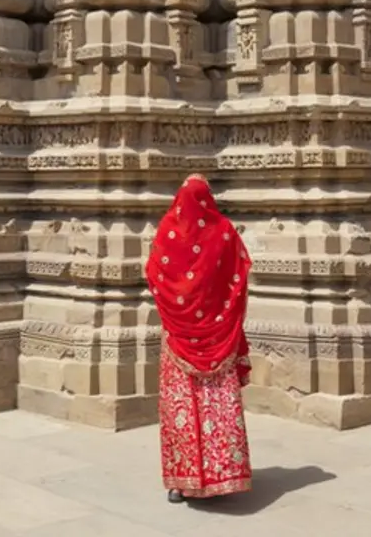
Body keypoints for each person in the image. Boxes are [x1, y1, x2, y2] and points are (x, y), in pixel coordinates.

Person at [146, 174, 252, 503]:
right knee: (217, 405)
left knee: (182, 409)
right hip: (218, 336)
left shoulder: (167, 231)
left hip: (178, 337)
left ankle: (181, 482)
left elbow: (154, 274)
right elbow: (240, 274)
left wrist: (179, 310)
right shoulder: (224, 233)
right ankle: (225, 474)